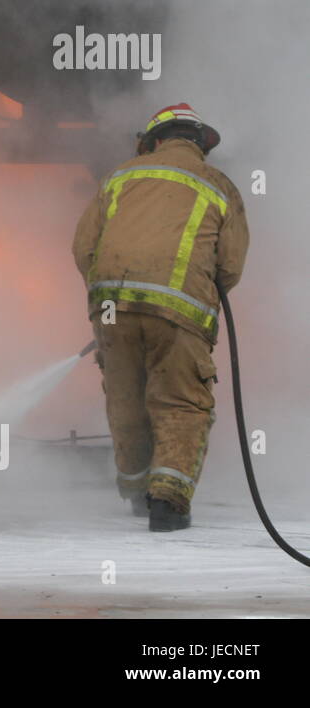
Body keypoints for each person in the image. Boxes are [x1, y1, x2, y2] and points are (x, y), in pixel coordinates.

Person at [72, 103, 249, 532]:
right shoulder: (218, 184)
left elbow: (84, 249)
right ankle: (167, 504)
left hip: (112, 305)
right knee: (180, 401)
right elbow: (231, 266)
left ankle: (136, 492)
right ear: (198, 143)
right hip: (179, 308)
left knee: (125, 399)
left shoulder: (119, 176)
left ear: (152, 140)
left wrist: (112, 306)